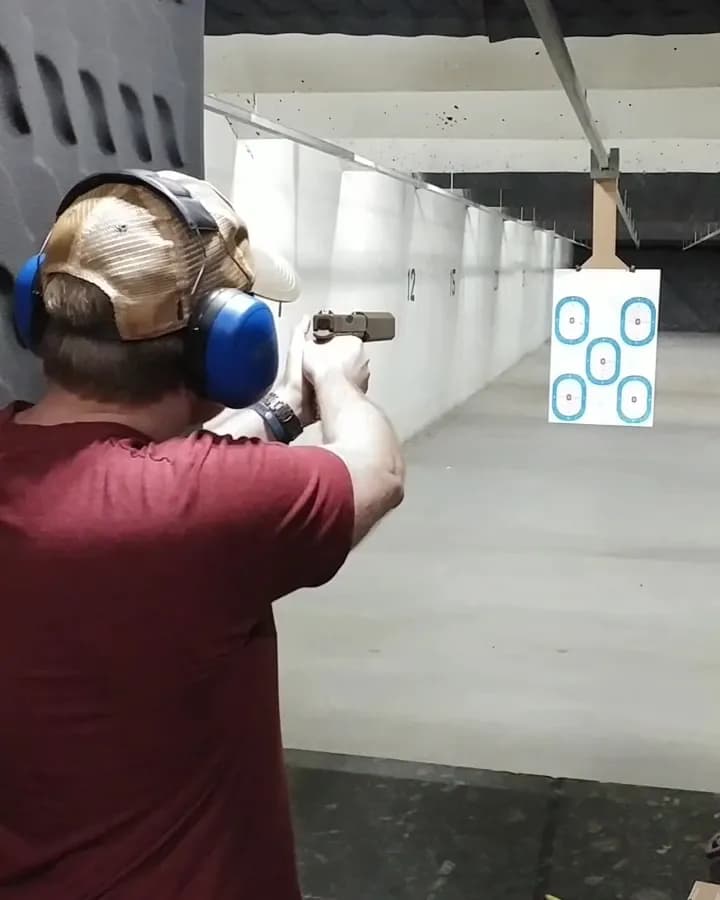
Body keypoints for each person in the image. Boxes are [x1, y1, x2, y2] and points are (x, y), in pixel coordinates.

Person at [0, 170, 404, 899]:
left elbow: (151, 479)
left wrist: (283, 411)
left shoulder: (188, 502)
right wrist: (337, 380)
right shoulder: (207, 508)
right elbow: (376, 470)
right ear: (225, 347)